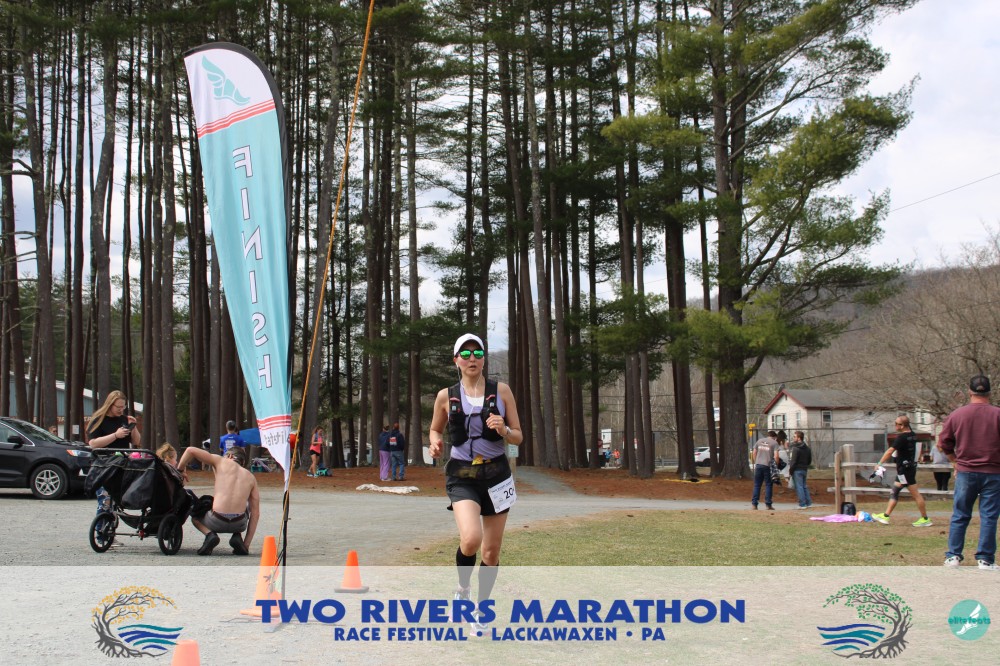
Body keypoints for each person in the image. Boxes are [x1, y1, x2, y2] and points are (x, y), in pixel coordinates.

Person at [428, 333, 523, 634]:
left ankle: (482, 608)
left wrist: (504, 429)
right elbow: (435, 429)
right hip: (462, 475)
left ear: (484, 359)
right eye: (465, 353)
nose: (472, 358)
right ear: (455, 360)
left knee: (491, 552)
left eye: (478, 353)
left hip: (497, 476)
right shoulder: (446, 396)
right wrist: (434, 444)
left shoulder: (502, 391)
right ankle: (462, 590)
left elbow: (518, 436)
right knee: (471, 539)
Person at [938, 375, 1000, 570]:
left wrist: (955, 461)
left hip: (966, 471)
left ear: (970, 391)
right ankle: (985, 559)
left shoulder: (957, 414)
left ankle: (953, 556)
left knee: (960, 514)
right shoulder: (997, 414)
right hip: (993, 472)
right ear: (989, 392)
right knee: (989, 516)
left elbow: (944, 443)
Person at [175, 446, 260, 556]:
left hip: (216, 521)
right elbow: (256, 513)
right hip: (239, 524)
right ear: (242, 462)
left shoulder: (220, 461)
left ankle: (209, 535)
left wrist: (180, 470)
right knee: (247, 506)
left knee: (196, 516)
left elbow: (190, 450)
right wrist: (246, 545)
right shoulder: (251, 477)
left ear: (229, 456)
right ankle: (238, 537)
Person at [871, 416, 932, 527]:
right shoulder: (913, 435)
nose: (895, 425)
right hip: (908, 469)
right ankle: (885, 516)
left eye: (897, 423)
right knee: (895, 491)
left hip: (905, 471)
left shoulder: (902, 438)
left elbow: (890, 451)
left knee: (916, 495)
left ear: (902, 425)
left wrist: (879, 463)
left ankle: (925, 519)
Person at [87, 390, 141, 513]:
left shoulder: (124, 419)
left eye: (123, 407)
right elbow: (93, 443)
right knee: (105, 502)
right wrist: (115, 435)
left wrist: (133, 426)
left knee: (117, 502)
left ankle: (112, 518)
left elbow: (136, 441)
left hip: (121, 465)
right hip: (103, 466)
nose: (121, 410)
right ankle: (102, 523)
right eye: (118, 407)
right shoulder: (99, 420)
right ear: (110, 405)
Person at [750, 430, 780, 510]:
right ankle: (768, 504)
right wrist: (776, 465)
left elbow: (754, 452)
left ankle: (754, 504)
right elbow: (776, 456)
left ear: (768, 435)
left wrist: (756, 461)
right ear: (775, 437)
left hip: (758, 465)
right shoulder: (774, 443)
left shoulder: (759, 441)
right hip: (768, 465)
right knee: (768, 485)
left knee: (757, 485)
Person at [788, 431, 813, 509]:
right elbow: (809, 460)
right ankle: (808, 502)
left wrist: (790, 471)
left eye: (795, 437)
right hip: (804, 469)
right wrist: (805, 465)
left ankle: (802, 504)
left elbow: (793, 461)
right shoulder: (807, 449)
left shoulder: (796, 449)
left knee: (799, 487)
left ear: (799, 438)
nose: (793, 438)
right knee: (804, 486)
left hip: (797, 469)